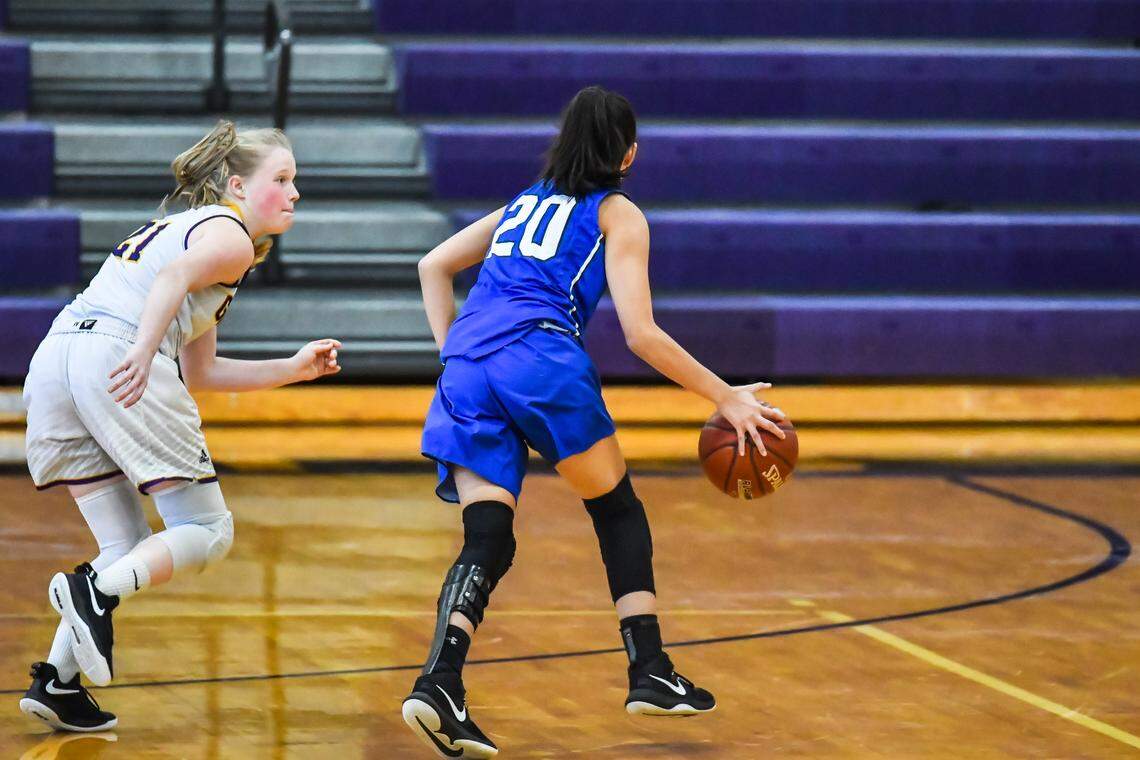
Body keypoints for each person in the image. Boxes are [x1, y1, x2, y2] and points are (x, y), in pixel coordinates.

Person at [402, 86, 786, 758]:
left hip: (467, 362)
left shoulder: (519, 204)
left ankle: (439, 681)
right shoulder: (617, 213)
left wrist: (454, 354)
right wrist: (724, 395)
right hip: (540, 356)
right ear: (629, 154)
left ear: (562, 140)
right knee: (616, 510)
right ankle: (649, 669)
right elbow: (641, 334)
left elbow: (432, 264)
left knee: (488, 535)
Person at [18, 121, 341, 732]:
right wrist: (141, 352)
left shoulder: (189, 233)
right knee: (208, 529)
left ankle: (57, 683)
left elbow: (202, 368)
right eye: (282, 179)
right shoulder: (232, 239)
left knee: (124, 546)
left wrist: (292, 369)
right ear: (238, 185)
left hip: (58, 358)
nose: (295, 193)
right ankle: (94, 594)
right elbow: (165, 288)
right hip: (115, 355)